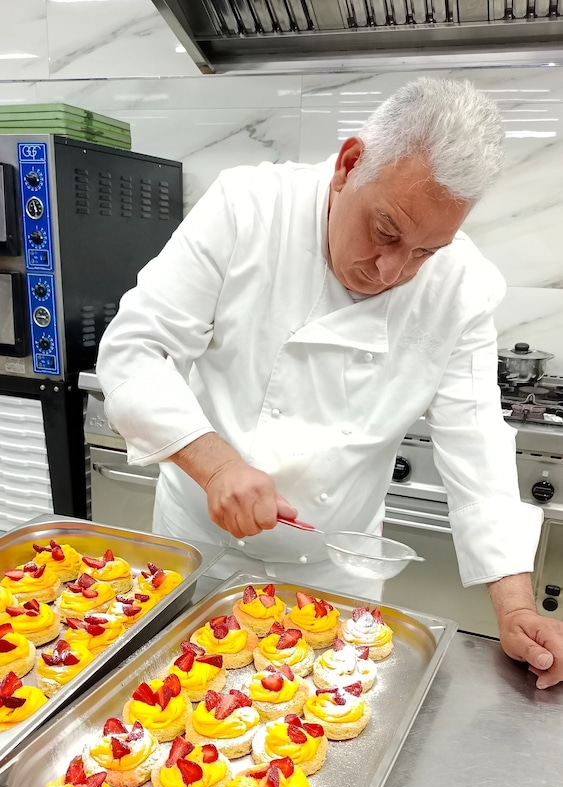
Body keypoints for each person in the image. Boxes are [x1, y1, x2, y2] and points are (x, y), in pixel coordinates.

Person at [96, 76, 563, 689]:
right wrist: (216, 467)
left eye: (425, 251)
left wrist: (517, 607)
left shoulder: (462, 286)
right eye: (386, 231)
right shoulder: (248, 207)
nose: (393, 270)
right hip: (201, 548)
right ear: (348, 165)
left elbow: (475, 441)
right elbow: (134, 350)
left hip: (335, 569)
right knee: (182, 706)